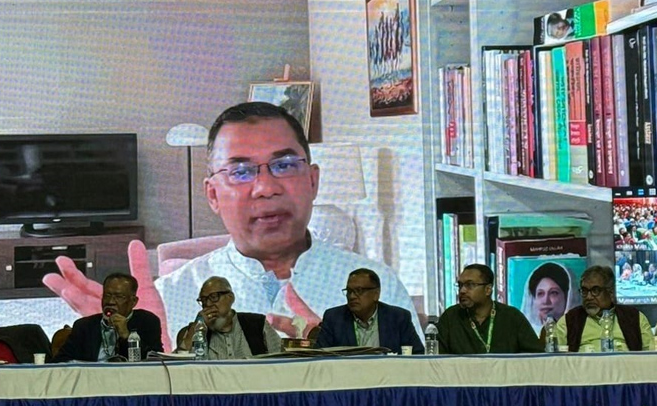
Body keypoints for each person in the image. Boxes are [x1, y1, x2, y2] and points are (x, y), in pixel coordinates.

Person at [43, 101, 421, 350]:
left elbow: (421, 403)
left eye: (284, 165)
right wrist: (135, 363)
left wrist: (347, 363)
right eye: (240, 171)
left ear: (312, 180)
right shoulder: (167, 299)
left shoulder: (378, 288)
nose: (266, 187)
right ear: (212, 195)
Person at [53, 273, 163, 362]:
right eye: (107, 296)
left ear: (133, 301)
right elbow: (60, 361)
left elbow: (155, 361)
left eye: (118, 297)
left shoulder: (147, 322)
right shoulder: (84, 326)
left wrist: (126, 336)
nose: (110, 302)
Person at [437, 264, 543, 354]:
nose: (462, 291)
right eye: (460, 285)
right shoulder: (450, 317)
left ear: (488, 290)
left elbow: (534, 357)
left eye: (470, 285)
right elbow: (437, 359)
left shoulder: (512, 317)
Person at [314, 268, 424, 354]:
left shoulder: (398, 318)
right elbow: (320, 357)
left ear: (376, 294)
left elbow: (417, 354)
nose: (352, 296)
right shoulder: (334, 318)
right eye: (349, 291)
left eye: (359, 291)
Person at [177, 276, 282, 359]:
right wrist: (196, 329)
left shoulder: (258, 324)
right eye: (203, 300)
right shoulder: (191, 331)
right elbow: (177, 366)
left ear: (230, 298)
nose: (208, 304)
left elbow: (282, 358)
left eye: (214, 297)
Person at [555, 265, 654, 352]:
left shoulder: (635, 318)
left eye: (595, 290)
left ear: (610, 292)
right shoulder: (568, 322)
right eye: (584, 291)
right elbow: (556, 361)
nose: (589, 297)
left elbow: (651, 356)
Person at [521, 262, 576, 334]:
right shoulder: (525, 334)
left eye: (553, 293)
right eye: (540, 293)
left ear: (568, 296)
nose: (545, 301)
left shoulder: (579, 331)